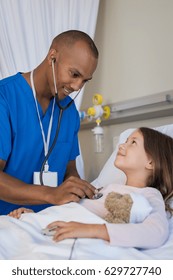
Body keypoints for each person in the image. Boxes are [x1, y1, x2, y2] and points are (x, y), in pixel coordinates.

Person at [9, 127, 173, 249]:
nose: (122, 146)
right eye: (125, 140)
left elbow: (155, 233)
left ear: (151, 162)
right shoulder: (102, 189)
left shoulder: (148, 195)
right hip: (42, 227)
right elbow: (72, 211)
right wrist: (34, 218)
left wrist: (92, 230)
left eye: (133, 142)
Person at [0, 30, 99, 215]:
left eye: (85, 80)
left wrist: (79, 189)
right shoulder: (5, 97)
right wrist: (51, 194)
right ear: (52, 56)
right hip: (6, 224)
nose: (77, 86)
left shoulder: (69, 111)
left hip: (48, 224)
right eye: (74, 74)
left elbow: (69, 170)